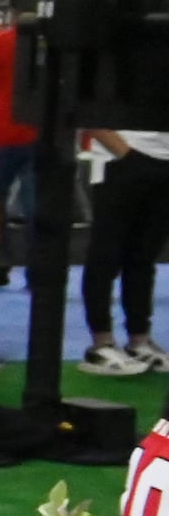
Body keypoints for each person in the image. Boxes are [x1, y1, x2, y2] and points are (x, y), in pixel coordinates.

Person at [77, 128, 169, 373]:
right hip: (118, 158)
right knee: (106, 255)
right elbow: (90, 113)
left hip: (163, 159)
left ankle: (139, 339)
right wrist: (126, 154)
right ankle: (101, 344)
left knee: (144, 257)